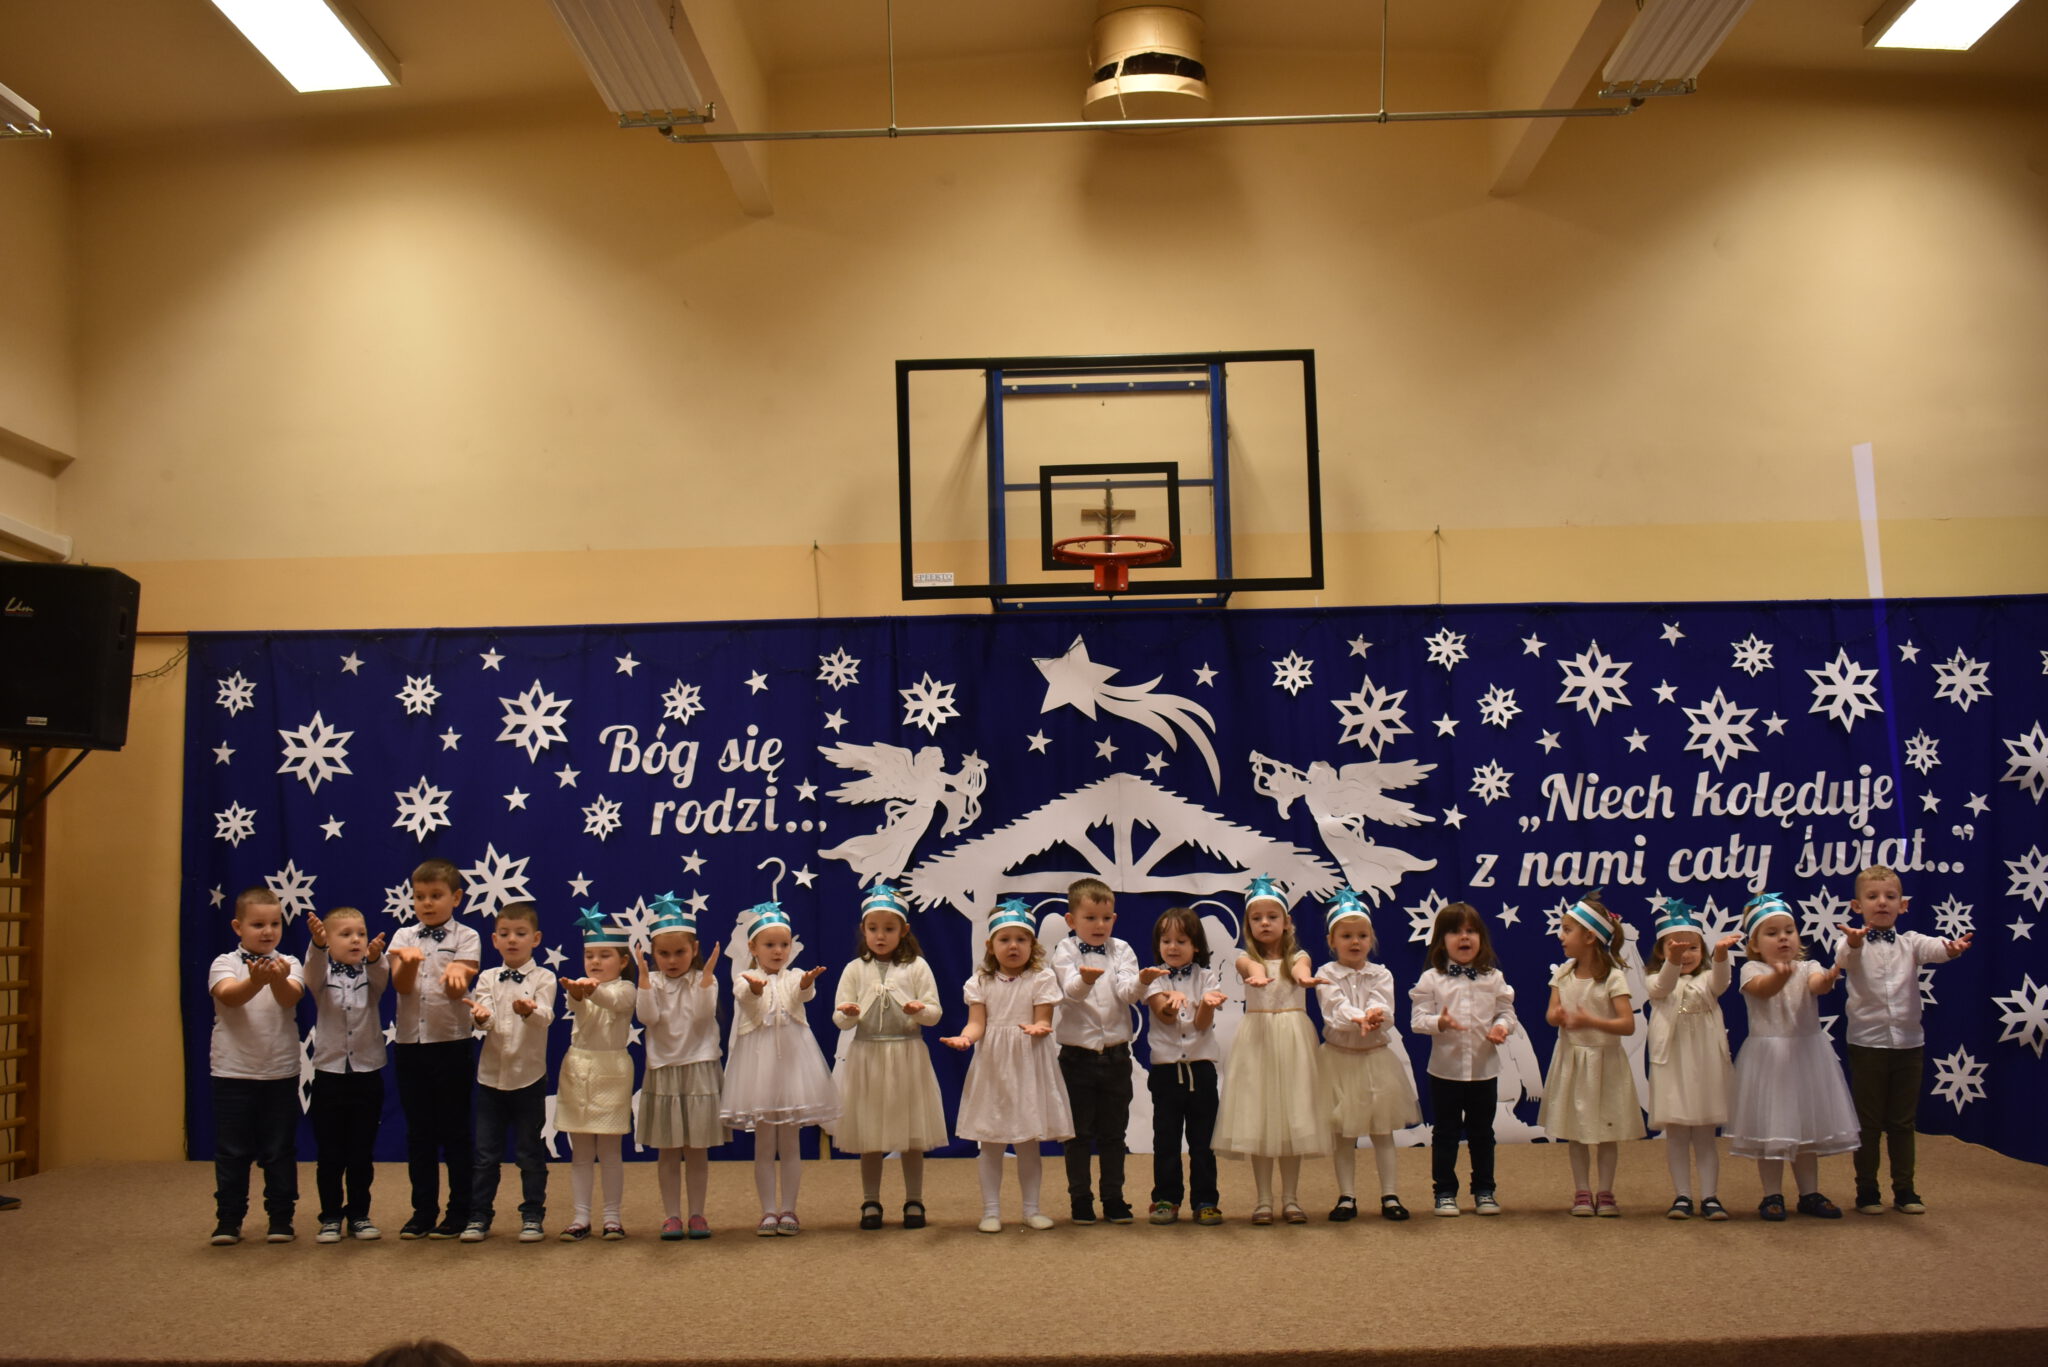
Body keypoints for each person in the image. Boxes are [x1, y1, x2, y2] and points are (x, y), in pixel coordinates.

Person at [1834, 864, 1971, 1216]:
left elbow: (1936, 948)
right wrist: (1854, 941)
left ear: (1903, 905)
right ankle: (1867, 1190)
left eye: (1890, 896)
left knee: (1902, 1122)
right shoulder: (1851, 942)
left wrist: (1952, 948)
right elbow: (1845, 959)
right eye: (1873, 896)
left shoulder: (1911, 943)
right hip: (1867, 1043)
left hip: (1909, 1044)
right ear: (1857, 905)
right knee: (1868, 1123)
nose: (1882, 902)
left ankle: (1905, 1189)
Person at [1726, 893, 1858, 1222]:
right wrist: (1779, 976)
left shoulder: (1807, 967)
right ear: (1755, 944)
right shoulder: (1751, 969)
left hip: (1806, 1057)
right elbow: (1763, 989)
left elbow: (1817, 984)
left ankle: (1809, 1193)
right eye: (1772, 933)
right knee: (1771, 1131)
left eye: (1789, 931)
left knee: (1805, 1127)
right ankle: (1772, 1194)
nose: (1783, 938)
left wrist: (1828, 978)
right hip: (1770, 1060)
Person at [943, 898, 1072, 1232]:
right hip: (994, 1068)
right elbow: (977, 1024)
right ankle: (990, 1211)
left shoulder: (1041, 979)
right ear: (991, 945)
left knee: (1028, 1143)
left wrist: (1039, 1028)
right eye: (1005, 939)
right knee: (991, 1142)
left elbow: (1043, 1019)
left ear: (1032, 943)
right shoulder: (981, 982)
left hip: (1028, 1064)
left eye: (1021, 939)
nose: (1013, 946)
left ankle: (1031, 1209)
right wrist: (965, 1039)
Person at [1212, 876, 1328, 1226]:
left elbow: (1300, 968)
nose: (1264, 923)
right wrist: (1258, 974)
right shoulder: (1244, 958)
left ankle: (1291, 1199)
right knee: (1258, 1121)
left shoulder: (1300, 956)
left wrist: (1304, 978)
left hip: (1293, 1040)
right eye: (1257, 918)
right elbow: (1253, 968)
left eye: (1272, 917)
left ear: (1287, 922)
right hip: (1259, 1039)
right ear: (1248, 924)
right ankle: (1263, 1199)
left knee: (1293, 1119)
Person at [831, 883, 947, 1230]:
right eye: (873, 929)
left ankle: (914, 1199)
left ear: (904, 930)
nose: (880, 936)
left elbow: (934, 1013)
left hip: (907, 1054)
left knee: (912, 1134)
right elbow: (840, 1018)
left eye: (889, 929)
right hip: (868, 1056)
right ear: (863, 929)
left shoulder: (917, 967)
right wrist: (849, 1013)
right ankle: (871, 1200)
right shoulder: (854, 969)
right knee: (869, 1134)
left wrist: (919, 1010)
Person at [719, 901, 838, 1236]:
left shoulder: (795, 976)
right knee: (763, 1145)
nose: (777, 951)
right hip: (758, 1071)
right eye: (769, 945)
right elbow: (745, 996)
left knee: (791, 1144)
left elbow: (803, 996)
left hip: (793, 1069)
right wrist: (755, 989)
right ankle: (768, 1210)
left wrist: (806, 984)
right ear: (753, 947)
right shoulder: (745, 977)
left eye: (783, 944)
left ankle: (789, 1209)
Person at [386, 858, 482, 1240]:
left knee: (456, 1131)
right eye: (420, 896)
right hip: (411, 1046)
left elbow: (458, 991)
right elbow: (401, 986)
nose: (427, 903)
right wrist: (408, 964)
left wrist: (457, 977)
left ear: (455, 898)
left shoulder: (467, 937)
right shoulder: (402, 937)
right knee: (420, 1133)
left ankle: (460, 1210)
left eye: (436, 895)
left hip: (452, 1045)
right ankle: (422, 1211)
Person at [1049, 876, 1150, 1225]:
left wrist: (1142, 981)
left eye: (1106, 918)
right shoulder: (1065, 951)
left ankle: (1113, 1198)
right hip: (1076, 1058)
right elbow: (1071, 992)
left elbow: (1126, 994)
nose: (1099, 925)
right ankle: (1080, 1199)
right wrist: (1086, 978)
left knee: (1113, 1134)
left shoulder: (1122, 949)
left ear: (1114, 919)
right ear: (1071, 920)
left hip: (1117, 1056)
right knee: (1077, 1135)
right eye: (1090, 918)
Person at [1315, 888, 1420, 1223]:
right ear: (1332, 940)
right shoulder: (1326, 974)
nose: (1355, 942)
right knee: (1344, 1134)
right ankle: (1346, 1196)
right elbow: (1334, 1010)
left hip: (1375, 1061)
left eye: (1362, 935)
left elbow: (1384, 1007)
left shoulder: (1381, 973)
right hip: (1339, 1061)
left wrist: (1375, 1015)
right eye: (1346, 936)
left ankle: (1390, 1194)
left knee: (1382, 1131)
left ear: (1371, 938)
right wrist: (1359, 1017)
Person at [207, 887, 305, 1245]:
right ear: (238, 927)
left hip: (279, 1073)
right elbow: (230, 996)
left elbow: (289, 997)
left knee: (279, 1151)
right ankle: (229, 1220)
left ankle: (280, 1218)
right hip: (233, 1074)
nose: (267, 931)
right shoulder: (224, 963)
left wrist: (275, 978)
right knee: (232, 1152)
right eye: (258, 924)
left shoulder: (290, 963)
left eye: (275, 924)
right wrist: (255, 980)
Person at [1408, 901, 1516, 1217]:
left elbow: (1507, 1013)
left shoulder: (1494, 978)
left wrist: (1501, 1027)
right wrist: (1439, 1022)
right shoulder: (1431, 979)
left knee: (1483, 1134)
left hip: (1484, 1071)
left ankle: (1484, 1190)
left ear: (1481, 938)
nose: (1464, 937)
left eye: (1471, 931)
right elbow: (1417, 1020)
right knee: (1445, 1133)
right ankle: (1444, 1192)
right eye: (1455, 931)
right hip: (1445, 1072)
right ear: (1442, 941)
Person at [1539, 892, 1643, 1217]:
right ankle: (1582, 1191)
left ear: (1589, 936)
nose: (1561, 936)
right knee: (1577, 1132)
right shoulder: (1563, 974)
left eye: (1567, 930)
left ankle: (1606, 1191)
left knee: (1607, 1132)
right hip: (1573, 1061)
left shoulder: (1613, 977)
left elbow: (1627, 1024)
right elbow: (1551, 1014)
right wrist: (1557, 1016)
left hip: (1605, 1063)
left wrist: (1591, 1021)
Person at [463, 900, 556, 1243]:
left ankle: (532, 1215)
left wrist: (530, 1010)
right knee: (485, 1155)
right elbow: (483, 1016)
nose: (512, 939)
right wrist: (480, 1018)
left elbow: (546, 1017)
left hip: (528, 1079)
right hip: (491, 1079)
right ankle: (479, 1216)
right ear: (495, 940)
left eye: (520, 933)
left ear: (536, 938)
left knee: (530, 1153)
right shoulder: (488, 977)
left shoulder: (545, 977)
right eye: (504, 934)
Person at [634, 897, 726, 1240]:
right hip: (664, 1070)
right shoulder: (653, 983)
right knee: (669, 1151)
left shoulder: (705, 980)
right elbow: (648, 1018)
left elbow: (703, 1016)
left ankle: (697, 1214)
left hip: (699, 1067)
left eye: (680, 953)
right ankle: (672, 1215)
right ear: (653, 953)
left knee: (697, 1150)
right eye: (663, 954)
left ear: (694, 949)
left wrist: (706, 979)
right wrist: (644, 979)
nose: (672, 961)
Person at [1644, 897, 1738, 1221]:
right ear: (1661, 951)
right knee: (1677, 1135)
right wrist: (1671, 962)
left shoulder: (1707, 980)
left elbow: (1722, 982)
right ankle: (1682, 1195)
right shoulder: (1655, 980)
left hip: (1705, 1063)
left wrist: (1721, 955)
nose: (1685, 954)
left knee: (1705, 1136)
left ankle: (1710, 1196)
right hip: (1673, 1063)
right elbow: (1663, 985)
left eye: (1693, 948)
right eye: (1675, 948)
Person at [303, 906, 389, 1242]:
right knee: (330, 1153)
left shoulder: (372, 974)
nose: (356, 940)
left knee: (360, 1152)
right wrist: (317, 945)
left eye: (361, 933)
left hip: (367, 1075)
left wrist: (375, 956)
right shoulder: (322, 976)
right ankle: (330, 1217)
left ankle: (359, 1215)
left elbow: (381, 973)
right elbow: (312, 969)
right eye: (346, 934)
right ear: (329, 940)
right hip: (330, 1075)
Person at [1141, 905, 1226, 1226]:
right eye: (1166, 941)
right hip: (1166, 1072)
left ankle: (1206, 1200)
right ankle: (1166, 1198)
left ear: (1196, 946)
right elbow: (1163, 1015)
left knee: (1203, 1141)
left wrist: (1206, 1004)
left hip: (1201, 1070)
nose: (1173, 947)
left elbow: (1202, 1024)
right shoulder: (1153, 978)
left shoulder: (1207, 977)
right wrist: (1172, 1003)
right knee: (1166, 1139)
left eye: (1181, 941)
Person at [555, 912, 637, 1240]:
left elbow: (611, 1000)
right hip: (577, 1070)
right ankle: (581, 1217)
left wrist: (589, 991)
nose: (595, 962)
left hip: (612, 1071)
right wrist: (577, 993)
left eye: (605, 955)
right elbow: (578, 1006)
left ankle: (612, 1217)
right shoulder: (580, 985)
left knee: (611, 1151)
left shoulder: (627, 988)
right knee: (581, 1152)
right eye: (590, 955)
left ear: (623, 960)